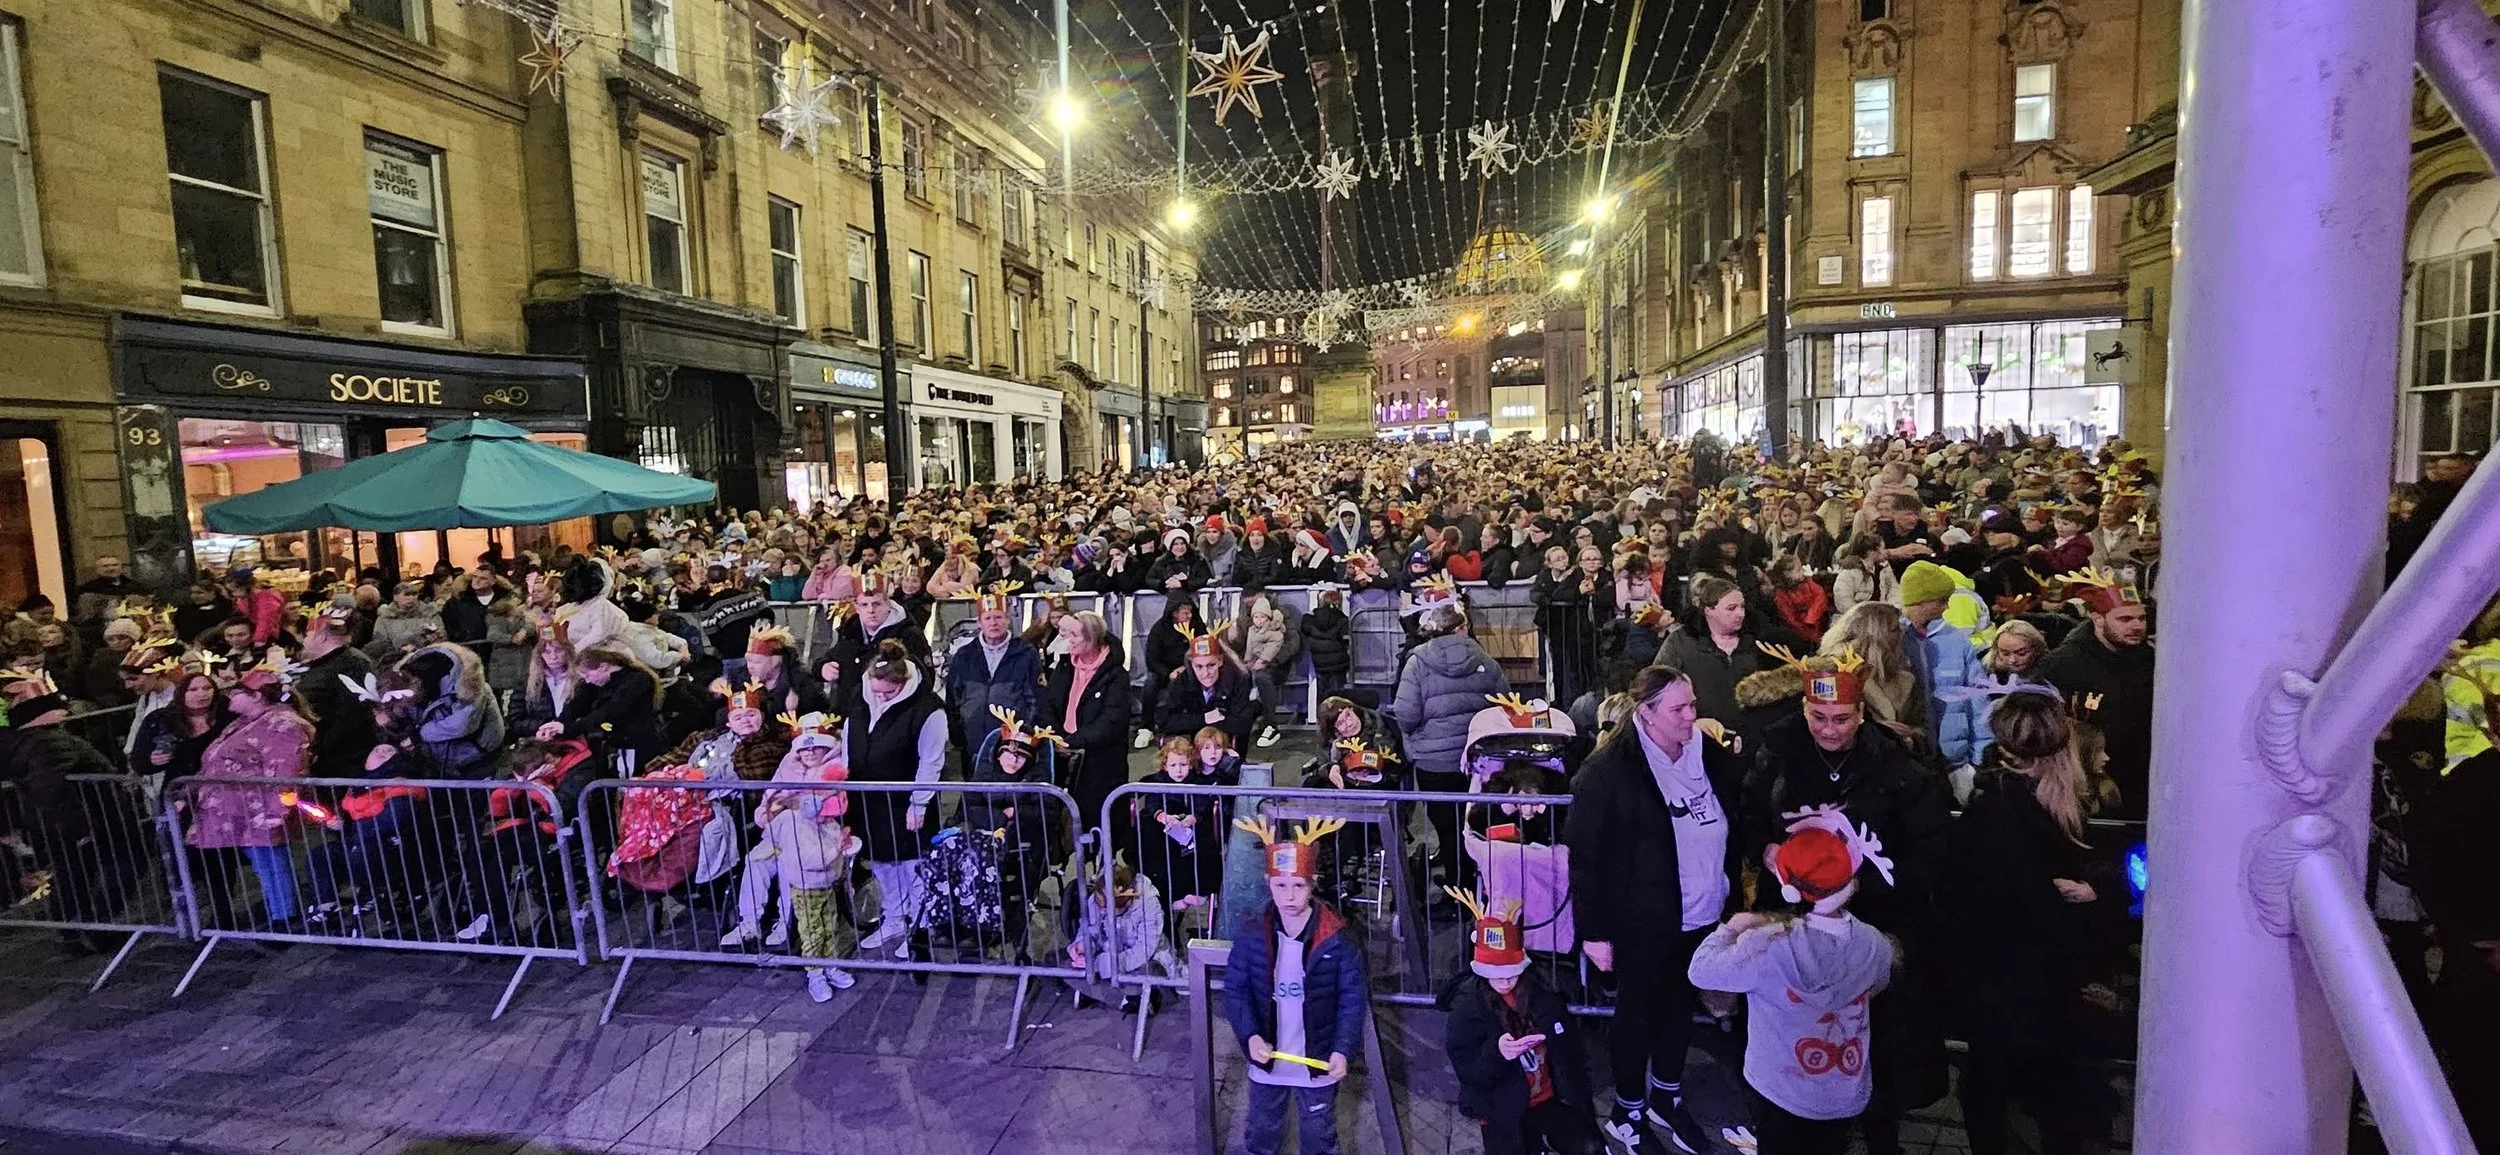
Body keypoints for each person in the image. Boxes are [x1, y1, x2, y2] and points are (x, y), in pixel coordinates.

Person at [1743, 646, 1954, 1155]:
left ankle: (1883, 1133)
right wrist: (1766, 850)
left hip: (1874, 925)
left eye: (1841, 719)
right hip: (1796, 919)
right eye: (1819, 717)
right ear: (1804, 710)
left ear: (1861, 713)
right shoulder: (1777, 752)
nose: (1830, 730)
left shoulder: (1898, 767)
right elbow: (1748, 816)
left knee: (1879, 1039)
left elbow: (1928, 852)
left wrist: (1863, 885)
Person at [1564, 666, 1745, 1154]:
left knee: (1678, 1010)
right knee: (1638, 1014)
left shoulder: (1704, 751)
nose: (1692, 716)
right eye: (1679, 709)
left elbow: (1742, 798)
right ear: (1645, 713)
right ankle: (1627, 1109)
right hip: (1643, 918)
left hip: (1703, 912)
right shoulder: (1608, 773)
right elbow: (1585, 857)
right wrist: (1594, 932)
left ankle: (1666, 1095)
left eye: (1692, 705)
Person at [1945, 690, 2107, 1155]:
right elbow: (2039, 910)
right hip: (2020, 991)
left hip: (1996, 988)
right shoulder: (2013, 818)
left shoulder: (1994, 808)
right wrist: (2094, 899)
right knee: (2018, 1100)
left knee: (1995, 1089)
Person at [1686, 808, 1899, 1155]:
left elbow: (1701, 970)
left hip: (1779, 1090)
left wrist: (1732, 928)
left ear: (1789, 888)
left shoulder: (1765, 946)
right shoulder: (1874, 944)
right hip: (1845, 1093)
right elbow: (1879, 981)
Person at [1226, 816, 1368, 1155]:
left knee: (1319, 1135)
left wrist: (1342, 1049)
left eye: (1299, 886)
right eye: (1281, 886)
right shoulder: (1252, 933)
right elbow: (1237, 990)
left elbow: (1352, 999)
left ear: (1312, 883)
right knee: (1262, 1131)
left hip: (1317, 1060)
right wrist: (1250, 1035)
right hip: (1268, 1058)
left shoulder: (1338, 938)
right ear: (1268, 882)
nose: (1289, 896)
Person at [1442, 889, 1603, 1155]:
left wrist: (1579, 1100)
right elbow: (1469, 1074)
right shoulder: (1467, 1007)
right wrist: (1498, 1053)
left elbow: (1572, 1054)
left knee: (1590, 1148)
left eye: (1511, 973)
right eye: (1497, 973)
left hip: (1549, 1101)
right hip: (1501, 1107)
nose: (1505, 980)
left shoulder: (1542, 996)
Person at [729, 710, 860, 1002]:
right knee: (755, 862)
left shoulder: (834, 766)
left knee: (823, 916)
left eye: (817, 746)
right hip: (781, 834)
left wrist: (794, 803)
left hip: (816, 846)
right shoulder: (788, 764)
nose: (810, 751)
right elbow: (771, 797)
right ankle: (750, 920)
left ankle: (814, 951)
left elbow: (834, 802)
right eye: (805, 746)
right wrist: (769, 811)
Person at [186, 655, 313, 933]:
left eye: (238, 691)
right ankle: (279, 912)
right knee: (263, 865)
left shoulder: (282, 724)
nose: (229, 695)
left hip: (259, 810)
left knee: (270, 864)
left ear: (256, 696)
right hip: (238, 810)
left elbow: (285, 769)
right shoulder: (246, 721)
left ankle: (284, 918)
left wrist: (277, 811)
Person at [846, 639, 948, 959]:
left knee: (911, 866)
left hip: (905, 800)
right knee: (881, 864)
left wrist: (919, 803)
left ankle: (921, 926)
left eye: (888, 693)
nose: (881, 698)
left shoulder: (928, 709)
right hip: (868, 797)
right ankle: (893, 917)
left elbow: (931, 761)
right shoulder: (860, 696)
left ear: (902, 683)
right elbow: (849, 738)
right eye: (876, 692)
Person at [2031, 568, 2155, 818]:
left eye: (2141, 618)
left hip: (2142, 783)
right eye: (2125, 619)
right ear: (2097, 619)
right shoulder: (2063, 664)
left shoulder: (2150, 659)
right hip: (2086, 788)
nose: (2137, 626)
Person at [1040, 609, 1132, 826]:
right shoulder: (1064, 666)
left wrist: (1073, 742)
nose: (1068, 641)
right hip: (1063, 756)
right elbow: (1048, 706)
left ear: (1091, 638)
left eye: (1074, 636)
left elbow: (1112, 720)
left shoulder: (1116, 675)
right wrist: (1057, 738)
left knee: (1101, 821)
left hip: (1100, 762)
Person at [1896, 561, 1985, 768]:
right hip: (1908, 761)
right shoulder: (1893, 640)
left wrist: (1980, 757)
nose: (1947, 606)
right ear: (1922, 601)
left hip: (1955, 761)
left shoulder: (1956, 640)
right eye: (1942, 600)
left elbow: (1978, 701)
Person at [1653, 574, 1771, 725]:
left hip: (1754, 735)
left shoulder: (1759, 642)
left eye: (1742, 607)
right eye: (1731, 608)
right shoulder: (1680, 643)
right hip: (1699, 734)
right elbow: (1657, 686)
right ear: (1709, 610)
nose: (1740, 614)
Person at [944, 582, 1041, 750]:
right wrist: (958, 736)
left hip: (1012, 743)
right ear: (979, 623)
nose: (993, 623)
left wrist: (1025, 733)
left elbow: (1035, 699)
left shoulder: (1026, 653)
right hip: (972, 741)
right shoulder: (964, 655)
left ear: (1007, 620)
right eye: (988, 618)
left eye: (998, 617)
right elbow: (953, 698)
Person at [533, 646, 665, 769]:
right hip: (610, 743)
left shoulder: (637, 679)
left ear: (603, 667)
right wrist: (557, 724)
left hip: (637, 743)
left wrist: (569, 729)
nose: (588, 681)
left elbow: (610, 711)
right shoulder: (594, 682)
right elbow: (577, 704)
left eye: (588, 675)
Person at [1155, 624, 1258, 746]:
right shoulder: (1183, 680)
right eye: (1198, 666)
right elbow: (1163, 720)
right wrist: (1204, 718)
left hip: (1229, 746)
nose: (1205, 673)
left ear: (1220, 661)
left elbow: (1243, 723)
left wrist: (1194, 722)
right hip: (1195, 747)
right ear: (1191, 664)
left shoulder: (1239, 679)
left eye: (1211, 665)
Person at [1233, 592, 1298, 747]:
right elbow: (1243, 644)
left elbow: (1292, 643)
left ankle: (1270, 725)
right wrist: (1230, 638)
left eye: (1252, 602)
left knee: (1262, 677)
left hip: (1277, 664)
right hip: (1252, 662)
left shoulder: (1280, 617)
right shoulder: (1246, 619)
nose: (1249, 606)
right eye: (1247, 604)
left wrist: (1269, 661)